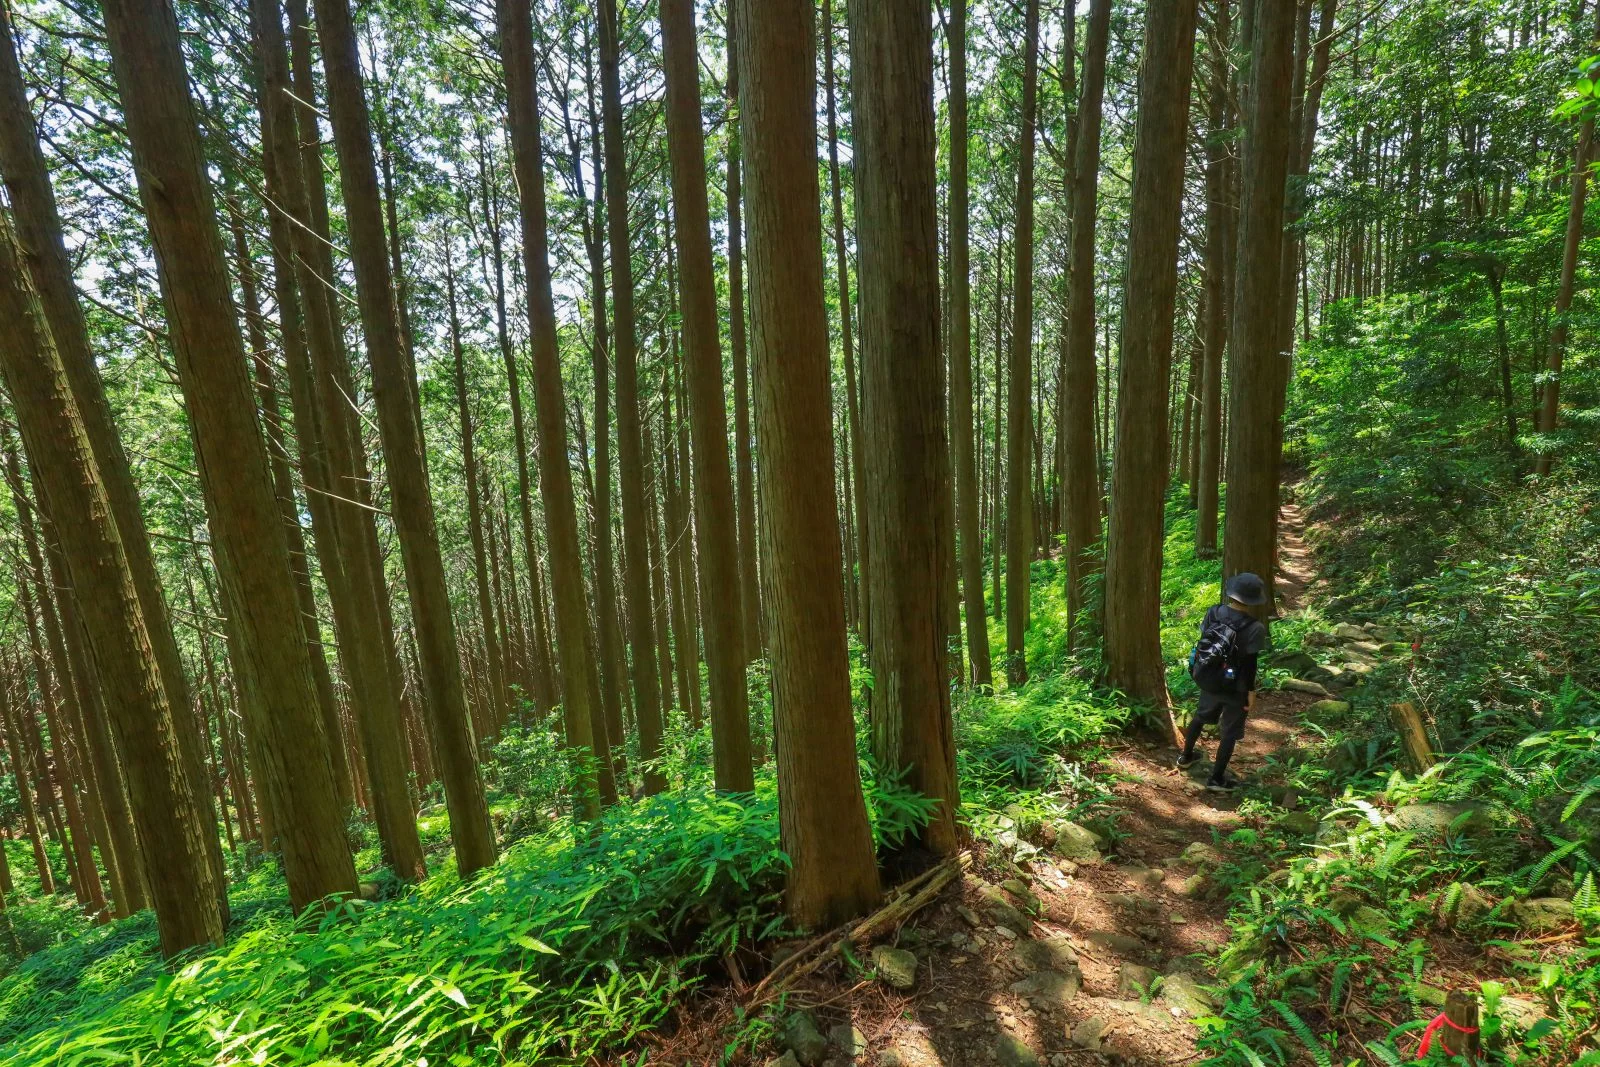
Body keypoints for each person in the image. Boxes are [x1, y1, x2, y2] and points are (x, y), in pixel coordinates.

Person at [1177, 571, 1269, 792]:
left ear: (1232, 593)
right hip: (1234, 687)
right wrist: (1250, 691)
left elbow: (1205, 641)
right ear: (1253, 600)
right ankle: (1216, 779)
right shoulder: (1255, 628)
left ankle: (1185, 757)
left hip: (1209, 678)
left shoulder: (1214, 612)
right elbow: (1249, 664)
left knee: (1200, 716)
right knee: (1229, 731)